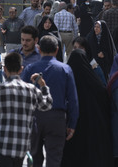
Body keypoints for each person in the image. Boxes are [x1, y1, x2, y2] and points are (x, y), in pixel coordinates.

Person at [0, 52, 52, 167]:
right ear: (21, 69)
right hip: (21, 145)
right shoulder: (31, 89)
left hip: (2, 145)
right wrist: (43, 85)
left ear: (5, 69)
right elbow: (46, 105)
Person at [21, 35, 79, 167]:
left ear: (39, 49)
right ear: (57, 50)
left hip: (34, 117)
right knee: (54, 158)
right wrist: (72, 124)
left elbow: (22, 95)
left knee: (34, 157)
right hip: (57, 118)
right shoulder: (65, 69)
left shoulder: (30, 69)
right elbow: (72, 99)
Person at [61, 49, 113, 167]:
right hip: (93, 131)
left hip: (71, 130)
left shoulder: (68, 81)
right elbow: (105, 100)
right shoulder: (95, 83)